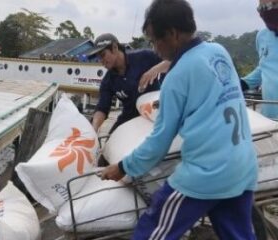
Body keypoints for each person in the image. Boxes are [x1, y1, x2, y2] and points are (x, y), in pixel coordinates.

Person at [101, 0, 258, 239]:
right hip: (243, 167)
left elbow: (159, 142)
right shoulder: (219, 51)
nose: (154, 49)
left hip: (207, 174)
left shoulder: (176, 78)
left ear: (173, 34)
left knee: (152, 229)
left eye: (155, 41)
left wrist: (123, 167)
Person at [91, 33, 170, 133]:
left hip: (153, 111)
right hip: (128, 116)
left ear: (115, 48)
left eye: (103, 55)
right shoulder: (108, 81)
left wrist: (155, 70)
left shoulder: (144, 56)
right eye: (98, 58)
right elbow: (102, 107)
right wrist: (94, 128)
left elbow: (174, 60)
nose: (101, 61)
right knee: (110, 140)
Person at [242, 0, 278, 120]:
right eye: (261, 8)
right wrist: (243, 83)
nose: (266, 11)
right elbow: (264, 67)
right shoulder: (262, 36)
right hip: (270, 121)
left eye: (272, 5)